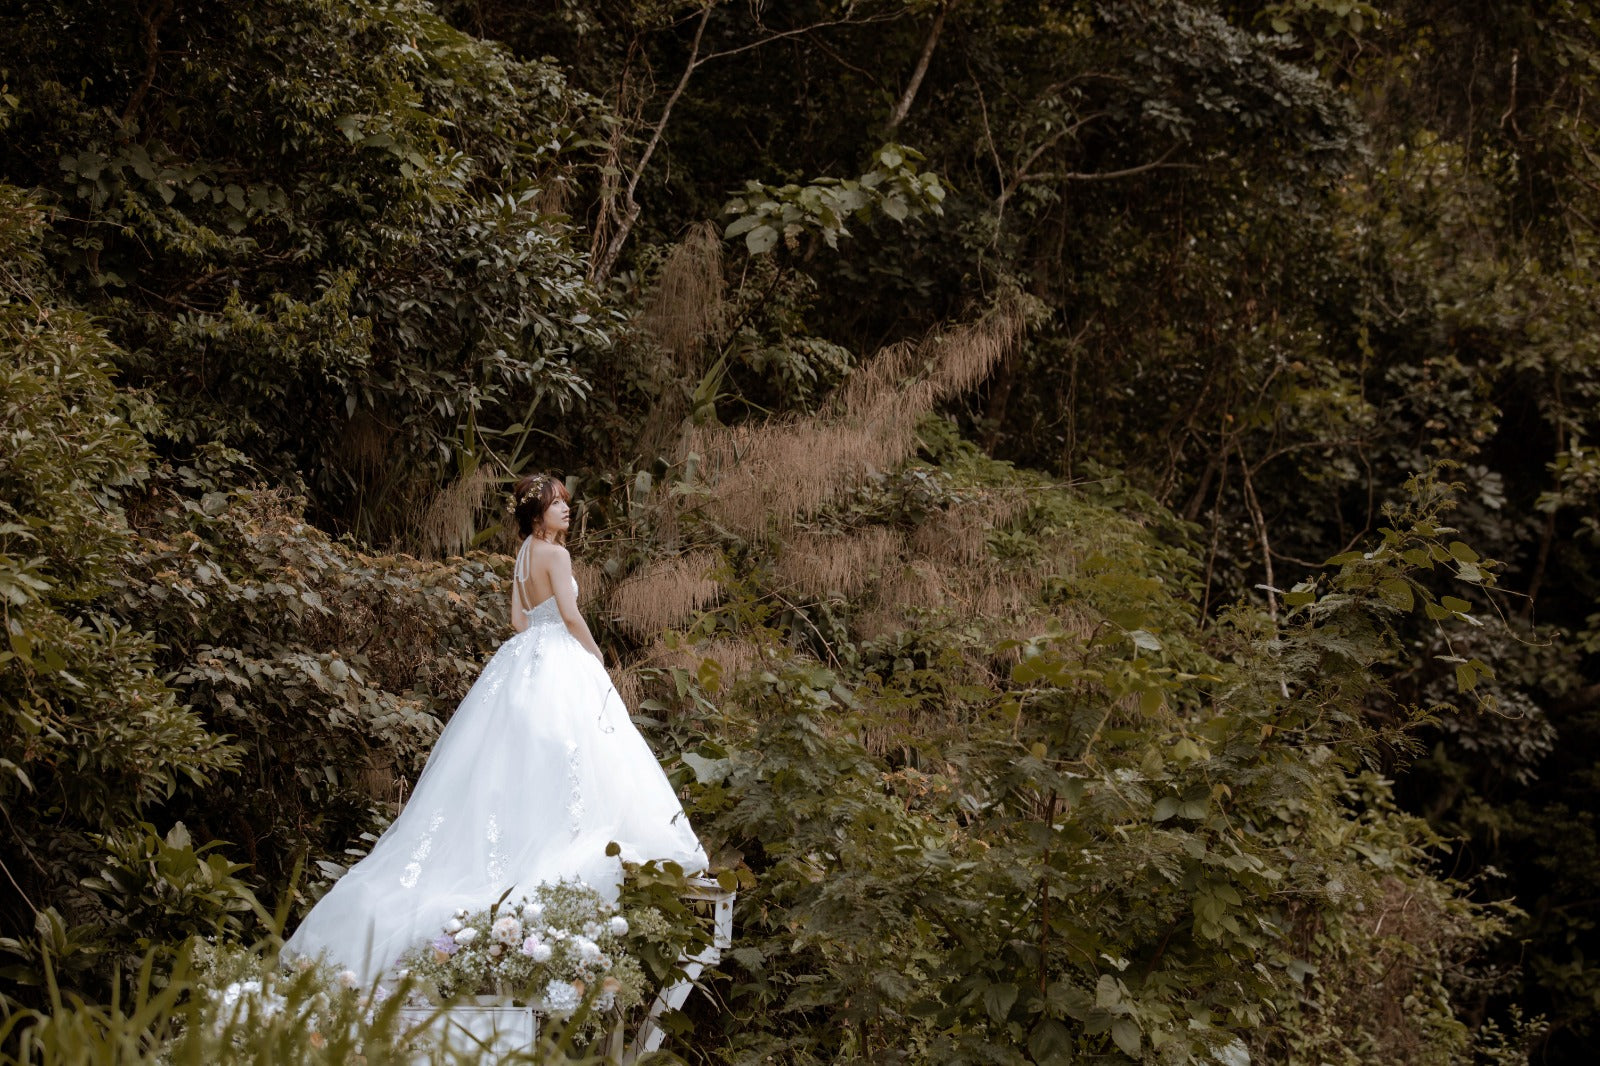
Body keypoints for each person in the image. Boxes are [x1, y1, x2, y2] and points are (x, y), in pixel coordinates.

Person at [283, 473, 708, 983]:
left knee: (518, 759)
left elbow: (518, 621)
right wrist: (594, 657)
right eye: (557, 505)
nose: (566, 511)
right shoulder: (556, 555)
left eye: (566, 504)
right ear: (536, 514)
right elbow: (570, 616)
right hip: (557, 655)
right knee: (577, 753)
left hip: (523, 658)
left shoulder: (526, 553)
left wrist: (538, 650)